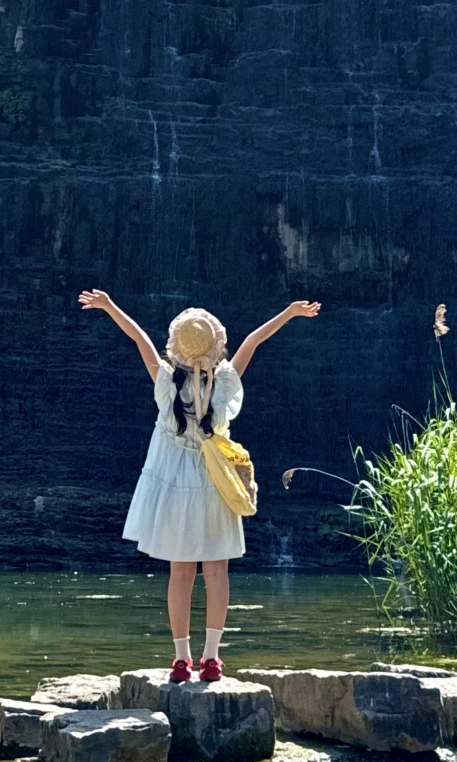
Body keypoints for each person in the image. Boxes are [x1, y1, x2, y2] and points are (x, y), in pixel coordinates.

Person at [78, 290, 321, 682]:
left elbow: (139, 338)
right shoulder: (223, 384)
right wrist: (290, 312)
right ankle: (211, 658)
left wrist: (109, 306)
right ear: (215, 345)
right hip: (214, 482)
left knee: (180, 573)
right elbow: (253, 340)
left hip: (176, 486)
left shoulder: (166, 383)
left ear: (177, 347)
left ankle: (180, 659)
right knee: (217, 571)